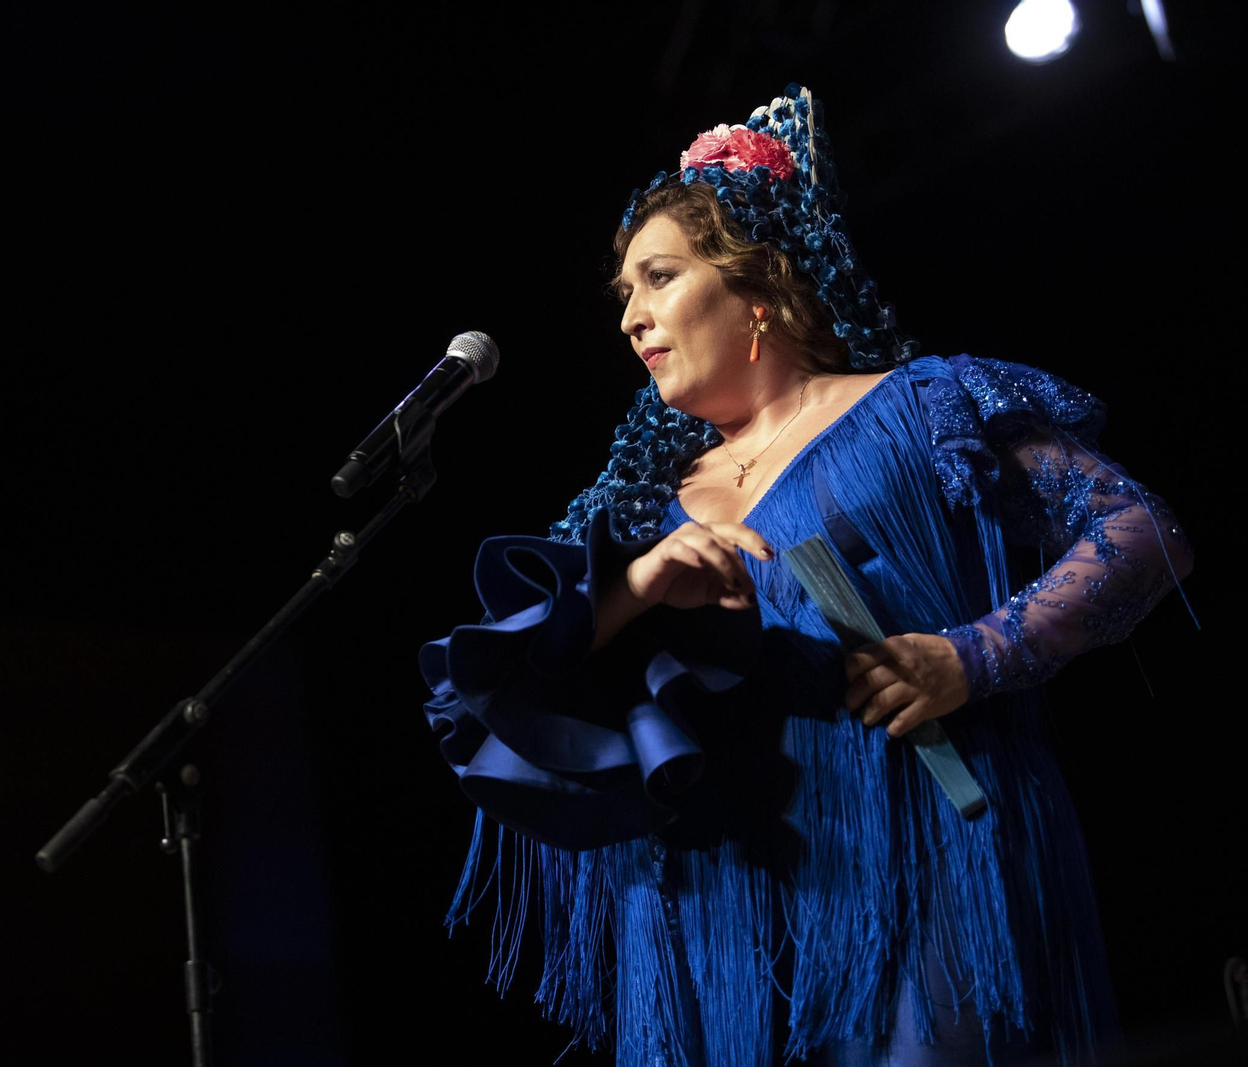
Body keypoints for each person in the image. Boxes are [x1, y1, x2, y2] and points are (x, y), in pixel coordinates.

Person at [417, 84, 1196, 1067]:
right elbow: (506, 695)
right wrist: (639, 586)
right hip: (729, 903)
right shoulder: (640, 510)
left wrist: (976, 655)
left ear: (760, 281)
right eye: (623, 295)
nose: (632, 317)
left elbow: (1140, 530)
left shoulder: (923, 405)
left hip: (923, 843)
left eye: (659, 277)